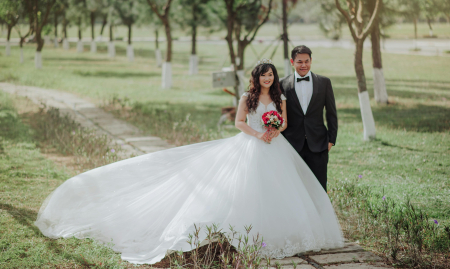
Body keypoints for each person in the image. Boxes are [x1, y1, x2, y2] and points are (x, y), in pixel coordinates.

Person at [35, 60, 344, 265]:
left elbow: (286, 123)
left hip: (274, 147)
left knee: (281, 192)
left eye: (271, 74)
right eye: (264, 75)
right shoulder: (246, 97)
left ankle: (281, 235)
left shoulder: (280, 99)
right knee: (244, 190)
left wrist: (273, 131)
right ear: (256, 77)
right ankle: (234, 238)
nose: (268, 78)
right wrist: (256, 134)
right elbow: (238, 123)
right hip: (250, 144)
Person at [280, 45, 338, 192]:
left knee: (319, 188)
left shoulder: (324, 82)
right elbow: (279, 114)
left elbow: (331, 113)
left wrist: (331, 140)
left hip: (319, 144)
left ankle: (320, 215)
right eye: (299, 62)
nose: (304, 65)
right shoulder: (282, 84)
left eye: (307, 61)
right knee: (294, 189)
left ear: (311, 61)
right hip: (292, 145)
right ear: (292, 62)